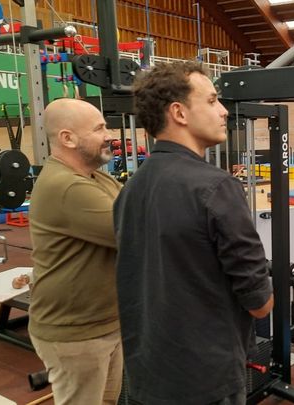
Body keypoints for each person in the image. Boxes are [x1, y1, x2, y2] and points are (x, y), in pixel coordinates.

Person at [113, 61, 274, 405]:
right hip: (205, 381)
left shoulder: (130, 188)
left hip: (146, 375)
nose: (223, 111)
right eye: (213, 100)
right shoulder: (217, 187)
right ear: (179, 113)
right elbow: (260, 304)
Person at [28, 98, 123, 405]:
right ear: (67, 138)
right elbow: (138, 232)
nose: (110, 134)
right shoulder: (66, 186)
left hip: (105, 322)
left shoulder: (98, 177)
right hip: (76, 333)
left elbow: (140, 208)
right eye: (99, 128)